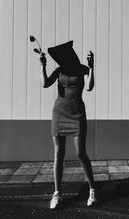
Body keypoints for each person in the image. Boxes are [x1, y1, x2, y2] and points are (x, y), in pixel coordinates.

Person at [39, 41, 98, 209]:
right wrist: (43, 66)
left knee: (81, 153)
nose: (59, 61)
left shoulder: (82, 69)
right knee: (59, 154)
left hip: (77, 114)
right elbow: (45, 83)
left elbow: (89, 87)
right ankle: (57, 193)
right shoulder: (59, 71)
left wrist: (92, 66)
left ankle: (93, 190)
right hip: (59, 113)